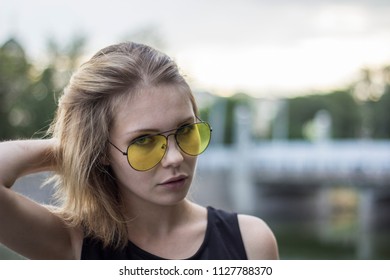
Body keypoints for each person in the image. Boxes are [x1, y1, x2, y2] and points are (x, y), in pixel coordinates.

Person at [0, 42, 278, 260]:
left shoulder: (249, 241)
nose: (175, 157)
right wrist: (76, 149)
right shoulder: (73, 244)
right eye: (144, 141)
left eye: (185, 131)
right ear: (102, 151)